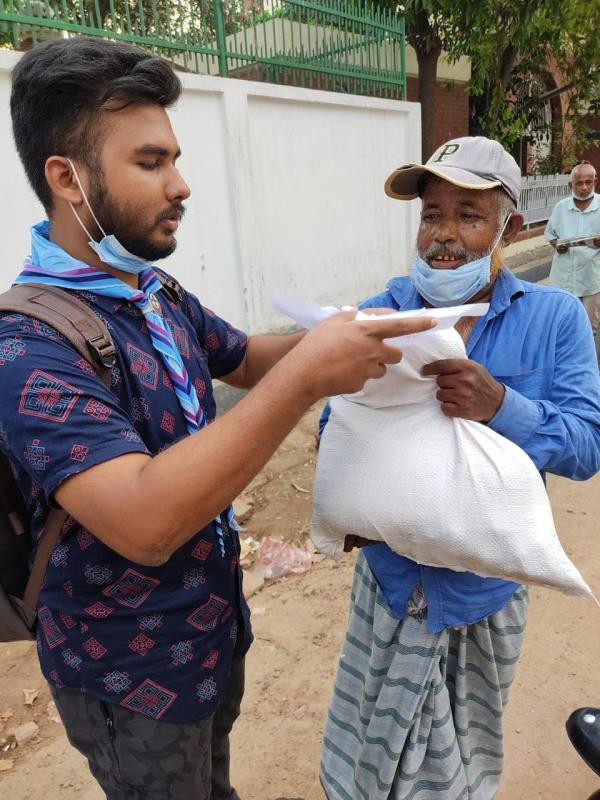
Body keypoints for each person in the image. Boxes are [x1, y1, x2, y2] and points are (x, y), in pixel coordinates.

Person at [0, 37, 435, 800]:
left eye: (174, 158)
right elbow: (143, 519)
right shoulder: (24, 345)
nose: (182, 184)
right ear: (68, 179)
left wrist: (356, 333)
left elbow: (241, 357)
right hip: (129, 675)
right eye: (150, 163)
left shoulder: (152, 291)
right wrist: (307, 377)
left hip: (210, 633)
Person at [319, 136, 600, 800]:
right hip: (386, 588)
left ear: (511, 226)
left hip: (482, 598)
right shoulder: (381, 315)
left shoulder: (555, 319)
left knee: (460, 767)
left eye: (468, 215)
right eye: (431, 214)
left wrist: (501, 406)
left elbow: (587, 446)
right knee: (363, 759)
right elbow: (338, 432)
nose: (443, 236)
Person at [545, 162, 600, 358]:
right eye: (579, 183)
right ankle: (562, 361)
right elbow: (550, 233)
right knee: (561, 321)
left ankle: (588, 367)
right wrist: (556, 245)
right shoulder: (561, 207)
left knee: (589, 326)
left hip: (591, 277)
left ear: (595, 182)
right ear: (571, 185)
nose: (584, 187)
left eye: (588, 182)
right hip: (563, 277)